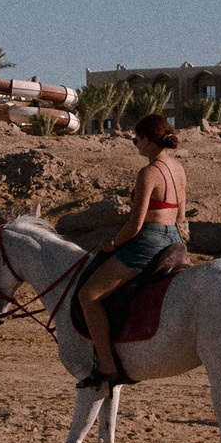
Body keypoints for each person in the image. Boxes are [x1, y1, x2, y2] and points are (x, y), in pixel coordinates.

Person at [78, 112, 189, 386]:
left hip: (147, 244)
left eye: (136, 139)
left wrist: (113, 243)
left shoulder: (148, 173)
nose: (135, 143)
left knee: (88, 295)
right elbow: (181, 215)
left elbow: (135, 225)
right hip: (174, 239)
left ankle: (105, 364)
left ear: (149, 141)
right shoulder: (178, 168)